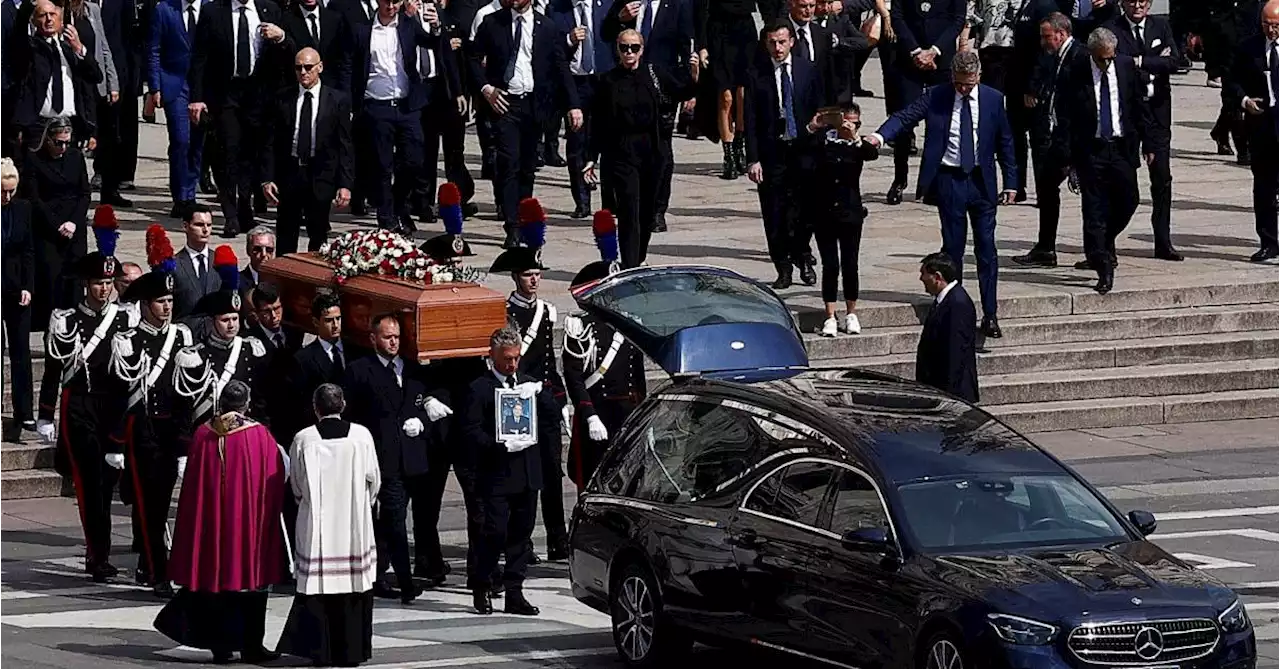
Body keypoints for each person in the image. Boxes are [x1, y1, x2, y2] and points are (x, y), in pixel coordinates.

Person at [866, 49, 1016, 338]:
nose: (963, 89)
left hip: (982, 182)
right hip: (950, 180)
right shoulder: (936, 95)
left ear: (979, 77)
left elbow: (1005, 141)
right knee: (953, 248)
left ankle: (990, 314)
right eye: (959, 83)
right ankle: (954, 310)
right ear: (951, 76)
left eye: (969, 84)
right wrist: (879, 136)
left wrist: (1011, 182)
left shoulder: (993, 99)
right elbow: (905, 116)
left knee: (987, 249)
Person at [155, 380, 286, 665]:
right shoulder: (260, 436)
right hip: (247, 526)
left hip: (212, 525)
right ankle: (252, 646)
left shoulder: (203, 434)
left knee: (216, 581)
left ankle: (221, 647)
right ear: (246, 403)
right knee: (251, 584)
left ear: (221, 403)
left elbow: (193, 487)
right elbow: (274, 482)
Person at [36, 239, 137, 582]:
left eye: (109, 282)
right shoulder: (66, 320)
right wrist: (46, 413)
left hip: (114, 408)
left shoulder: (125, 318)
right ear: (85, 284)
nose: (105, 289)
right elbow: (54, 368)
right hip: (79, 407)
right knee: (91, 487)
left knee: (112, 484)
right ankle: (98, 556)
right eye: (98, 282)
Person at [106, 229, 194, 598]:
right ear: (145, 304)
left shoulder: (182, 337)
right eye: (160, 302)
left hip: (170, 431)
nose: (167, 307)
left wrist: (186, 443)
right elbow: (117, 393)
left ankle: (154, 563)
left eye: (170, 300)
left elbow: (189, 394)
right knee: (148, 504)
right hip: (141, 432)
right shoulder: (128, 340)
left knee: (166, 501)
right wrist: (117, 443)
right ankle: (156, 569)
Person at [342, 313, 452, 604]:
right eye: (387, 337)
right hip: (385, 460)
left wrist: (424, 418)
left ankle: (402, 569)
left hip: (416, 458)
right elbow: (351, 416)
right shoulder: (359, 371)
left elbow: (430, 397)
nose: (393, 342)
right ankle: (402, 582)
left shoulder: (413, 368)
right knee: (394, 522)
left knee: (418, 519)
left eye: (397, 337)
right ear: (373, 339)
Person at [276, 384, 379, 668]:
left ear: (315, 408)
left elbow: (295, 484)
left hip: (317, 527)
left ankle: (320, 652)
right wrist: (361, 504)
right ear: (342, 404)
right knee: (353, 587)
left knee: (319, 588)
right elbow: (374, 480)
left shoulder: (304, 438)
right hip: (353, 527)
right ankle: (352, 652)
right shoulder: (362, 435)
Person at [460, 326, 560, 616]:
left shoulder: (528, 385)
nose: (512, 364)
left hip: (527, 473)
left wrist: (540, 393)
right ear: (492, 357)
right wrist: (498, 446)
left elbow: (552, 418)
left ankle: (515, 591)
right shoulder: (479, 388)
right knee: (495, 533)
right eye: (506, 359)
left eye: (516, 358)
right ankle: (483, 584)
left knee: (521, 536)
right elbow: (470, 431)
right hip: (496, 475)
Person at [470, 0, 582, 248]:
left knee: (527, 167)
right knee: (508, 162)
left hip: (534, 105)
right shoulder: (493, 22)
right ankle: (511, 226)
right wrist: (486, 89)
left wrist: (573, 105)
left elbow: (561, 66)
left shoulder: (547, 27)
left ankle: (522, 218)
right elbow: (473, 58)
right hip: (505, 103)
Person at [583, 29, 698, 268]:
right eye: (624, 47)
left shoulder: (654, 73)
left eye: (634, 48)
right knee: (628, 211)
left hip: (652, 152)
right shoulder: (607, 81)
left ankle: (639, 257)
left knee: (647, 214)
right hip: (621, 154)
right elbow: (598, 123)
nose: (629, 53)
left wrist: (695, 74)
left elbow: (682, 91)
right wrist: (590, 158)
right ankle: (630, 264)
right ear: (617, 49)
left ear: (642, 50)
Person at [1053, 26, 1154, 293]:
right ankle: (1103, 266)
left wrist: (1149, 142)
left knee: (1129, 199)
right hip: (1091, 150)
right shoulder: (1076, 70)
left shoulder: (1124, 67)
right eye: (1102, 58)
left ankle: (1103, 240)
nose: (1107, 63)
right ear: (1091, 52)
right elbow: (1064, 117)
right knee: (1094, 210)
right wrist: (1065, 156)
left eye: (1110, 57)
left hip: (1121, 147)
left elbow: (1137, 105)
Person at [187, 0, 292, 239]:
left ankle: (246, 208)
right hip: (226, 93)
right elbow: (200, 56)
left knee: (250, 155)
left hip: (257, 94)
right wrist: (197, 97)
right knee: (227, 153)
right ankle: (230, 214)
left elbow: (286, 54)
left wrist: (279, 36)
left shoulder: (269, 10)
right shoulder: (214, 10)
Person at [488, 244, 567, 561]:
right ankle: (521, 541)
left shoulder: (547, 311)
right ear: (516, 278)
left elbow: (550, 359)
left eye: (537, 274)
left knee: (552, 473)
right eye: (528, 275)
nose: (534, 281)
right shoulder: (506, 313)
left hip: (545, 398)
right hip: (520, 401)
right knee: (523, 476)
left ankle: (557, 540)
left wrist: (561, 400)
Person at [561, 214, 645, 487]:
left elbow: (637, 374)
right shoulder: (579, 326)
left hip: (628, 413)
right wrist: (589, 415)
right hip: (600, 412)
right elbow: (574, 376)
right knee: (594, 482)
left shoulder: (631, 323)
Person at [346, 0, 442, 234]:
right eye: (386, 1)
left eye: (395, 1)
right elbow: (349, 65)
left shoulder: (408, 25)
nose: (390, 6)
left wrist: (437, 27)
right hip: (376, 105)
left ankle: (399, 205)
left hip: (406, 104)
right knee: (381, 165)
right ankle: (386, 214)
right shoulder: (362, 29)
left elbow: (431, 42)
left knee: (414, 159)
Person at [599, 0, 695, 230]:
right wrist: (620, 18)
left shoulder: (677, 6)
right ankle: (626, 204)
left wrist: (690, 88)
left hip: (661, 84)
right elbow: (606, 34)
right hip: (628, 83)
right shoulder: (627, 3)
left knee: (662, 148)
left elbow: (686, 45)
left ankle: (657, 209)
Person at [745, 20, 825, 290]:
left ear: (791, 41)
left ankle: (803, 255)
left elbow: (820, 108)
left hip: (804, 151)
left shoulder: (807, 71)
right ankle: (782, 266)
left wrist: (818, 132)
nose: (777, 48)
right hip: (772, 154)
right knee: (775, 213)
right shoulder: (757, 75)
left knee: (805, 211)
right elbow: (751, 119)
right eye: (772, 43)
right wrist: (753, 159)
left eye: (782, 42)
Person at [1107, 0, 1183, 261]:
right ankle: (1107, 242)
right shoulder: (1113, 29)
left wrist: (1140, 61)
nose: (1137, 5)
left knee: (1162, 178)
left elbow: (1175, 61)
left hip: (1157, 112)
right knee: (1122, 180)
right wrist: (1151, 61)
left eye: (1143, 1)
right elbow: (1116, 63)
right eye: (1131, 0)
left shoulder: (1160, 25)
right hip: (1128, 114)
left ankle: (1163, 240)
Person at [262, 47, 353, 255]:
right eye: (298, 68)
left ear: (319, 67)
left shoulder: (337, 100)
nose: (303, 72)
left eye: (308, 67)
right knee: (286, 232)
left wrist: (345, 184)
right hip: (290, 173)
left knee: (318, 235)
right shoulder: (283, 98)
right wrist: (267, 179)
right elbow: (269, 142)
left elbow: (345, 145)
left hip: (321, 174)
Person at [1013, 11, 1084, 268]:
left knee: (1092, 196)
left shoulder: (1079, 56)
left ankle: (1100, 250)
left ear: (1062, 34)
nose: (1043, 42)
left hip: (1074, 139)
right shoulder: (1054, 55)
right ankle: (1046, 248)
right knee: (1046, 186)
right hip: (1057, 136)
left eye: (1047, 37)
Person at [882, 0, 966, 206]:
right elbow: (898, 18)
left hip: (941, 59)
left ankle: (932, 183)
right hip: (909, 60)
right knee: (903, 120)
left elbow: (957, 21)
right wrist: (915, 51)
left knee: (939, 123)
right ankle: (899, 179)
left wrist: (935, 50)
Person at [171, 252, 271, 427]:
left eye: (235, 319)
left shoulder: (250, 350)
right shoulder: (195, 357)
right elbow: (184, 409)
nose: (231, 325)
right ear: (211, 322)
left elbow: (259, 400)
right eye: (225, 320)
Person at [811, 101, 877, 337]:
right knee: (830, 265)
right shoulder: (822, 141)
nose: (849, 125)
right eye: (845, 120)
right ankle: (830, 314)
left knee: (851, 263)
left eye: (855, 122)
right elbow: (803, 151)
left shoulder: (858, 145)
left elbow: (871, 154)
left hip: (850, 212)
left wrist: (855, 137)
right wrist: (813, 127)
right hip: (824, 212)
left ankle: (851, 311)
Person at [1223, 0, 1280, 263]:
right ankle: (1268, 242)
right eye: (1267, 25)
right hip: (1262, 128)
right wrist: (1246, 101)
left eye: (1276, 26)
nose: (1271, 31)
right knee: (1264, 188)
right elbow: (1231, 83)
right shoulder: (1249, 48)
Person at [23, 117, 90, 330]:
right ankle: (50, 328)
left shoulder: (75, 157)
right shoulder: (34, 160)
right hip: (48, 228)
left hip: (74, 226)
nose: (63, 147)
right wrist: (57, 224)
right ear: (48, 140)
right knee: (51, 281)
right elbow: (34, 199)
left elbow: (84, 193)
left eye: (66, 143)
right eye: (58, 142)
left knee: (75, 281)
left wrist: (74, 222)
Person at [9, 0, 104, 145]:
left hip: (69, 126)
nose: (48, 19)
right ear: (34, 21)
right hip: (39, 128)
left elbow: (95, 76)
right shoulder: (31, 48)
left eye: (52, 14)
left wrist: (79, 48)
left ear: (60, 20)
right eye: (43, 15)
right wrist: (29, 5)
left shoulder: (69, 50)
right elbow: (19, 33)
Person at [553, 0, 615, 218]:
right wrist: (568, 40)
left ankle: (611, 201)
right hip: (575, 82)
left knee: (608, 141)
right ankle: (582, 200)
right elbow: (551, 48)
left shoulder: (607, 5)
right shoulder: (557, 8)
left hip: (604, 79)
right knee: (577, 141)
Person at [147, 0, 207, 218]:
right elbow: (154, 49)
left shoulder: (210, 7)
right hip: (175, 83)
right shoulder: (164, 9)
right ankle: (180, 197)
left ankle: (191, 193)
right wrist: (154, 87)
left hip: (203, 86)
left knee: (198, 143)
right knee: (181, 140)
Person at [0, 158, 36, 439]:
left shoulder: (22, 209)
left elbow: (28, 251)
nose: (7, 196)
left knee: (21, 352)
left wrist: (28, 286)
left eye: (11, 191)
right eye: (2, 191)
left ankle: (25, 412)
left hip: (16, 289)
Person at [915, 252, 978, 402]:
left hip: (952, 394)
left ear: (937, 277)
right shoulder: (944, 300)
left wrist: (947, 399)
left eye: (923, 274)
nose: (921, 279)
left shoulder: (957, 304)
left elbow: (955, 353)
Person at [171, 204, 221, 329]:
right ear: (185, 226)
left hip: (216, 334)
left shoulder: (220, 261)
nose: (205, 230)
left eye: (209, 225)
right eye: (199, 225)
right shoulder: (174, 264)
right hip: (185, 333)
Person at [239, 225, 275, 294]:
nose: (264, 254)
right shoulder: (236, 283)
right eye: (257, 249)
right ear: (248, 250)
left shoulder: (280, 283)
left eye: (269, 249)